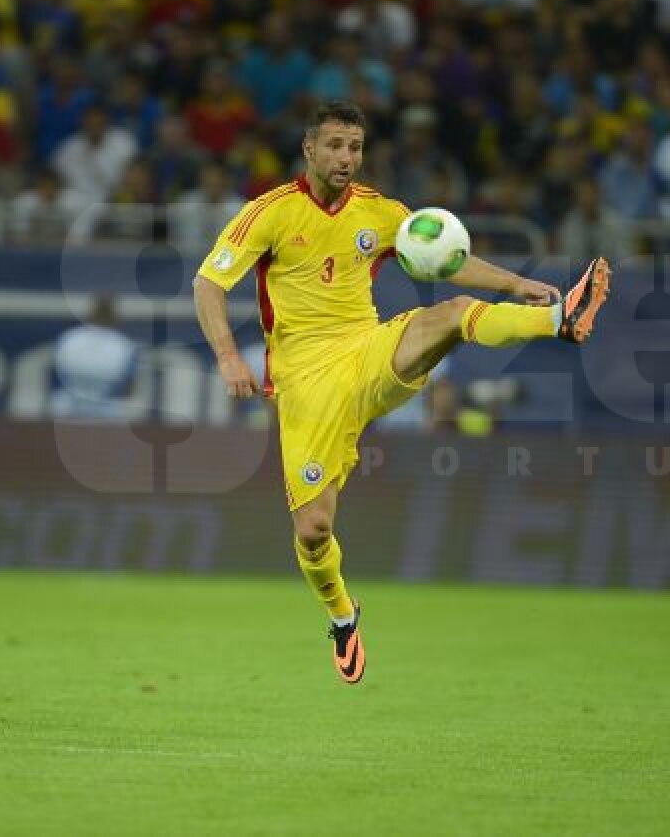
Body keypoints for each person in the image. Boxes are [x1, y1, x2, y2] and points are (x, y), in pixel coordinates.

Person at [193, 102, 610, 685]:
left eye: (356, 147)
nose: (346, 157)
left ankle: (560, 319)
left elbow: (447, 259)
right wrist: (229, 356)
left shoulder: (381, 212)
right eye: (335, 145)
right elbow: (208, 283)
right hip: (306, 383)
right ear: (309, 150)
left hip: (367, 352)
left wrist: (518, 283)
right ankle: (342, 616)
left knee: (452, 314)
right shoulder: (270, 213)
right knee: (313, 530)